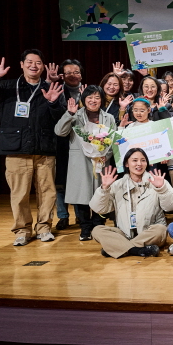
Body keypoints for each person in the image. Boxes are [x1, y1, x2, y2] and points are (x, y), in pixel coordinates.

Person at [0, 51, 65, 246]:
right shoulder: (6, 86)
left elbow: (62, 119)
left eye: (38, 63)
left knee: (47, 192)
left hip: (45, 149)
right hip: (16, 149)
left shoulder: (50, 88)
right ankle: (22, 230)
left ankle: (44, 227)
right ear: (21, 64)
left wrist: (53, 103)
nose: (34, 66)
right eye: (29, 62)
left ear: (43, 66)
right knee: (19, 193)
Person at [54, 85, 117, 241]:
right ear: (84, 99)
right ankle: (85, 228)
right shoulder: (76, 116)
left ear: (102, 100)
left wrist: (105, 154)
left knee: (101, 194)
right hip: (80, 161)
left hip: (101, 161)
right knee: (82, 196)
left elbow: (115, 141)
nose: (93, 100)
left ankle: (98, 226)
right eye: (89, 97)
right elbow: (59, 131)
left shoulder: (108, 117)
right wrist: (69, 113)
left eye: (97, 97)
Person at [90, 148, 173, 258]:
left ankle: (119, 248)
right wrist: (104, 188)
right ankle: (137, 250)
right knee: (97, 230)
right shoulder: (118, 184)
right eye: (135, 160)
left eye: (143, 160)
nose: (139, 164)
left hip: (149, 233)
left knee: (161, 229)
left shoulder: (157, 181)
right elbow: (99, 209)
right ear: (126, 163)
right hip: (124, 234)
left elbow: (170, 207)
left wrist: (161, 189)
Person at [53, 59, 85, 233]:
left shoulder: (87, 91)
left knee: (79, 180)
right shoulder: (57, 91)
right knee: (60, 182)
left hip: (81, 143)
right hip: (60, 141)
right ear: (62, 76)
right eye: (69, 73)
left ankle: (81, 215)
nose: (73, 75)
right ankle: (63, 216)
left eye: (77, 72)